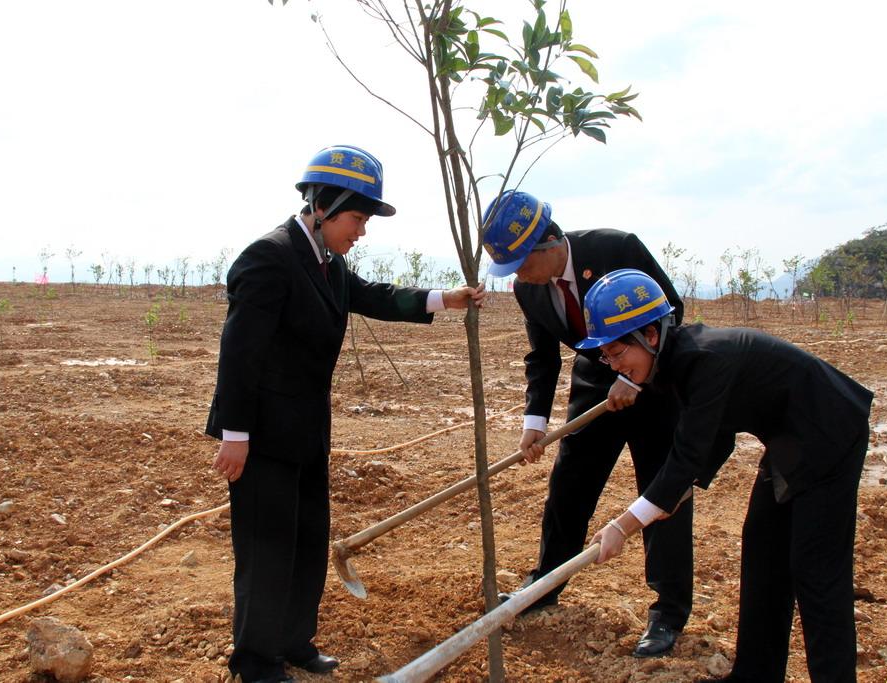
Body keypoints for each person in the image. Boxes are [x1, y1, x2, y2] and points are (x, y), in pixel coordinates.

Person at [205, 144, 485, 683]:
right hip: (262, 436)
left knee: (308, 539)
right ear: (322, 205)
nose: (361, 230)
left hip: (308, 431)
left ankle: (294, 641)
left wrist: (442, 299)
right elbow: (240, 352)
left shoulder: (328, 264)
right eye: (356, 217)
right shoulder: (269, 257)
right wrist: (235, 433)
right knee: (267, 549)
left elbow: (373, 296)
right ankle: (256, 661)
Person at [581, 269, 873, 683]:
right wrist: (677, 491)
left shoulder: (704, 358)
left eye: (615, 352)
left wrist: (623, 525)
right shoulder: (674, 363)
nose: (614, 365)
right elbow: (713, 437)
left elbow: (686, 453)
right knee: (763, 555)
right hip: (788, 440)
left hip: (829, 434)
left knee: (816, 573)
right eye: (606, 357)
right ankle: (755, 674)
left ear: (649, 335)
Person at [481, 190, 694, 657]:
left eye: (521, 262)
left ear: (548, 242)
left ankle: (668, 611)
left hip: (655, 381)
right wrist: (534, 420)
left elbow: (671, 312)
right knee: (569, 484)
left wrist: (637, 379)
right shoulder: (528, 289)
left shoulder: (616, 247)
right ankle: (544, 585)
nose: (517, 274)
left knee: (663, 492)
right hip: (596, 385)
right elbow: (542, 356)